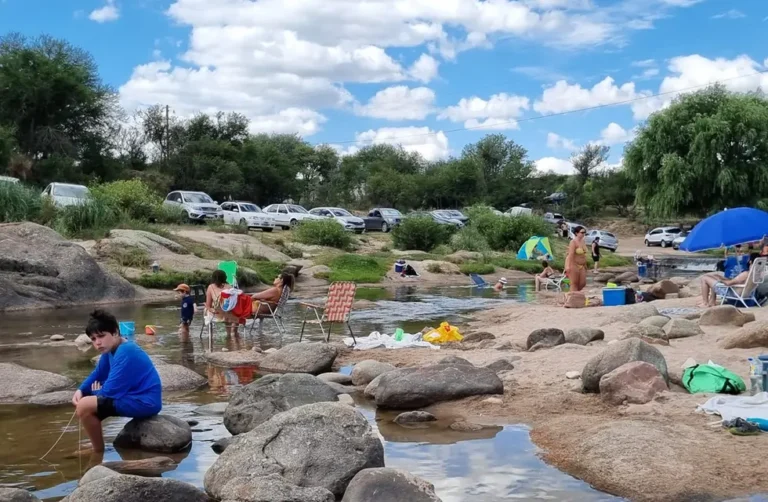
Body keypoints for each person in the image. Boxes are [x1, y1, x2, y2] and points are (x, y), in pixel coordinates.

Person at [72, 310, 162, 456]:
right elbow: (98, 374)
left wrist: (94, 392)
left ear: (115, 332)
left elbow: (109, 392)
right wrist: (81, 390)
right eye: (93, 339)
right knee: (84, 406)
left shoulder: (126, 351)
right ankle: (98, 448)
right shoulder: (110, 351)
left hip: (145, 402)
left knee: (84, 406)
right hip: (132, 396)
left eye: (101, 336)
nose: (97, 342)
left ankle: (97, 452)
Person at [205, 269, 238, 336]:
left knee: (216, 307)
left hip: (218, 313)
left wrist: (211, 309)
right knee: (229, 309)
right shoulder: (229, 287)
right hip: (230, 314)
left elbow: (208, 305)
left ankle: (230, 337)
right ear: (225, 277)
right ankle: (232, 335)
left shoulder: (211, 287)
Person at [565, 226, 588, 292]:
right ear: (576, 233)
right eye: (582, 232)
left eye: (584, 232)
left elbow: (584, 255)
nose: (583, 234)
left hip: (582, 265)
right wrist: (568, 266)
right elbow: (570, 255)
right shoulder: (573, 242)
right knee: (574, 283)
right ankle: (572, 298)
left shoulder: (583, 241)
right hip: (574, 264)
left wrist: (585, 264)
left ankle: (574, 295)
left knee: (582, 283)